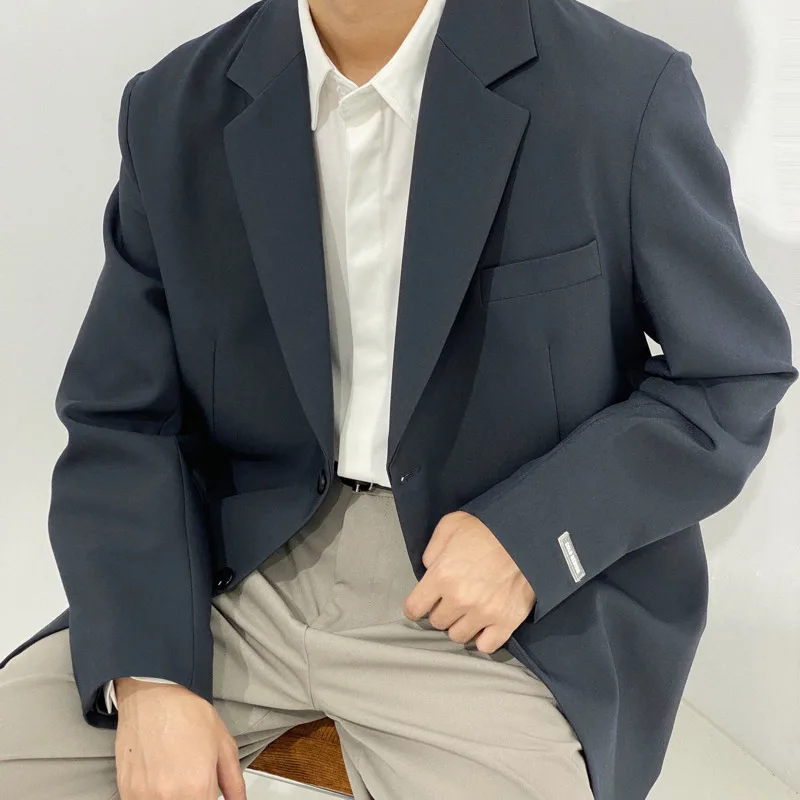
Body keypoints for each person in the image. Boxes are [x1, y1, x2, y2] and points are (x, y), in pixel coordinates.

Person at [0, 0, 796, 798]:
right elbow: (124, 417)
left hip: (494, 614)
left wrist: (533, 535)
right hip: (235, 573)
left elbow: (731, 376)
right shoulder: (173, 107)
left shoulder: (620, 90)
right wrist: (150, 676)